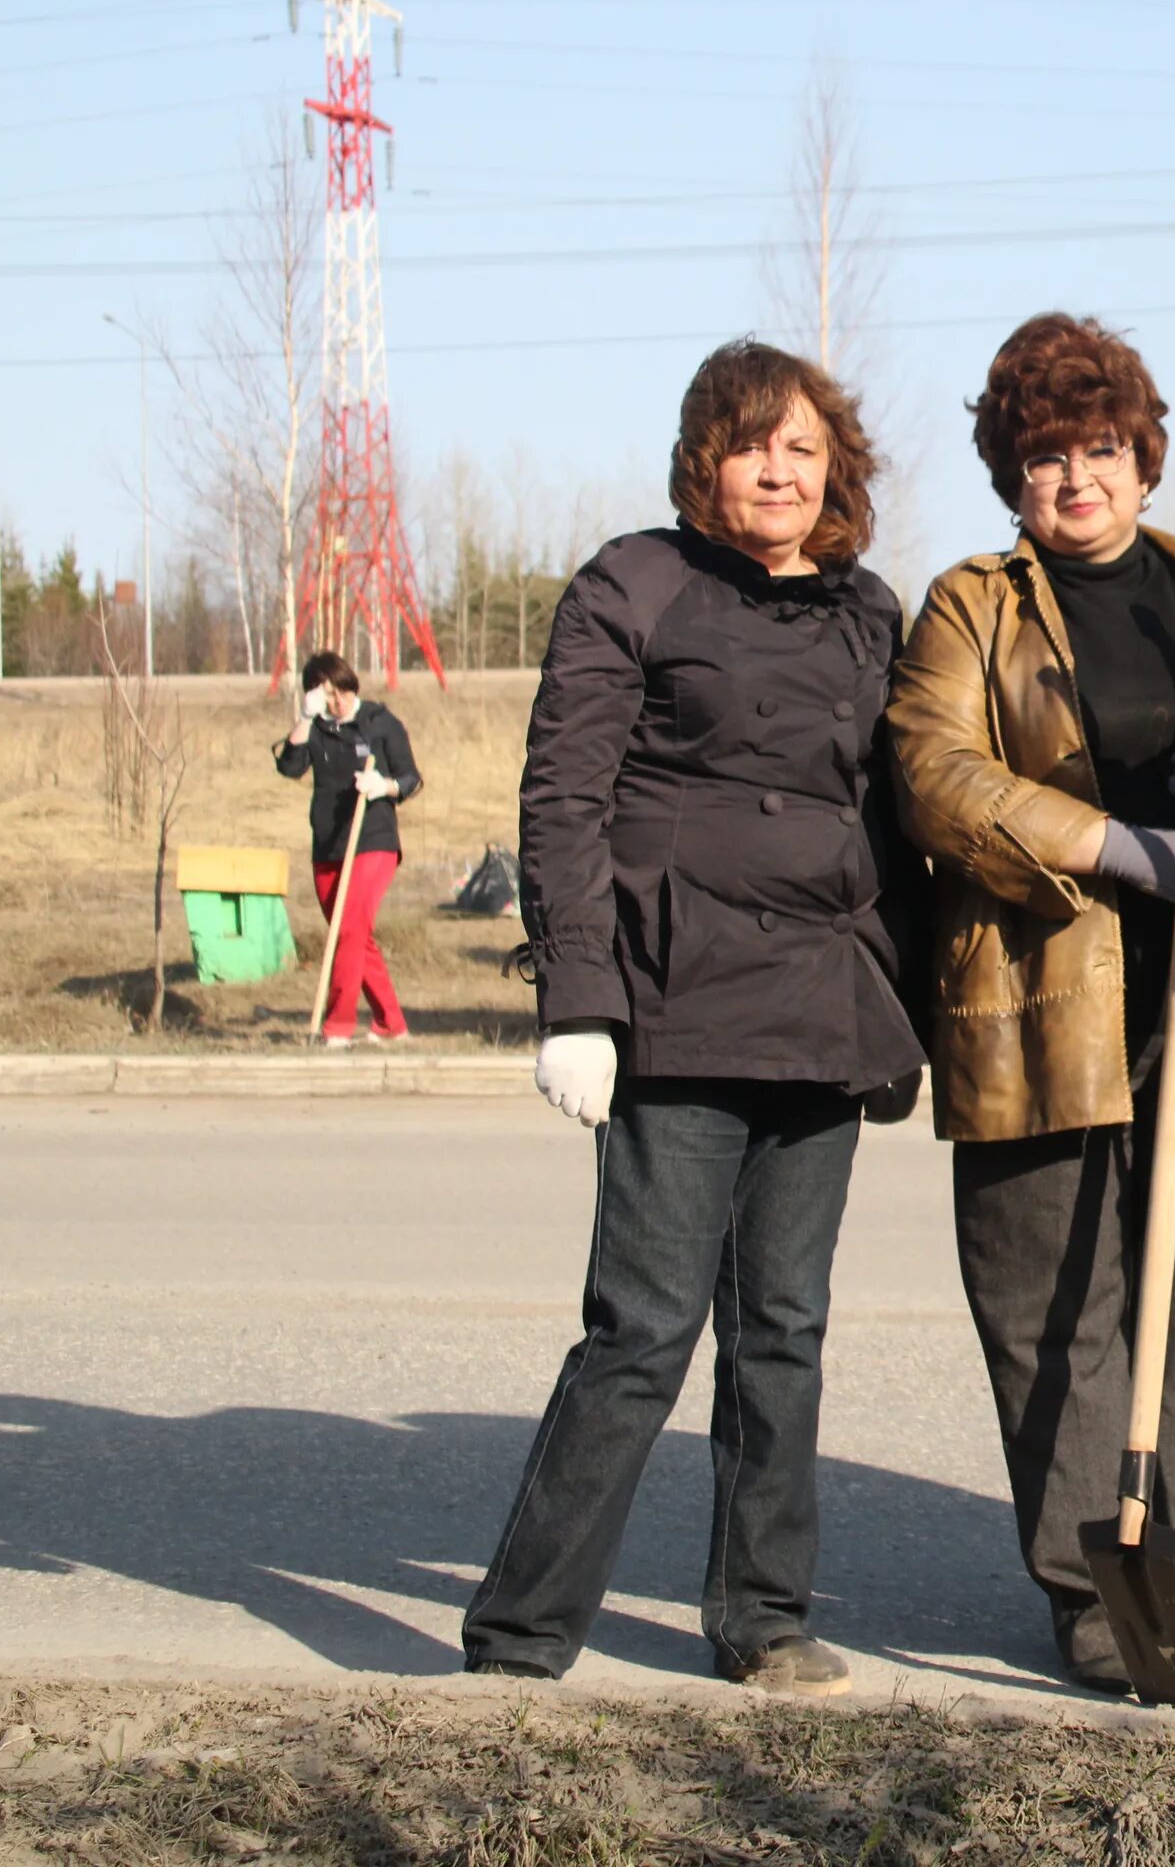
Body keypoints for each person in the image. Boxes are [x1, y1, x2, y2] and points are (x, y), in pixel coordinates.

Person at [462, 339, 928, 1699]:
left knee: (783, 1328)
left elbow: (891, 821)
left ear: (835, 467)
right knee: (643, 1331)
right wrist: (578, 999)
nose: (779, 470)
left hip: (821, 1009)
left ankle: (763, 1617)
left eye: (803, 447)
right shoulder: (635, 583)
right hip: (673, 1002)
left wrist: (898, 1009)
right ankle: (522, 1635)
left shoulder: (869, 611)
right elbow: (565, 798)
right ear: (703, 461)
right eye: (751, 444)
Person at [885, 313, 1175, 1694]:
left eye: (1102, 447)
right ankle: (1089, 1590)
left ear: (1144, 454)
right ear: (1012, 473)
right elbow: (935, 775)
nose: (1078, 478)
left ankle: (1173, 1572)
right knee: (1048, 1311)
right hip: (1035, 1006)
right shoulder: (970, 606)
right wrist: (1120, 847)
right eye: (1046, 455)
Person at [273, 649, 421, 1046]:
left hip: (373, 839)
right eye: (326, 695)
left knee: (351, 928)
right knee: (352, 936)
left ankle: (337, 1026)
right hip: (328, 844)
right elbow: (289, 767)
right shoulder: (317, 728)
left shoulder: (380, 723)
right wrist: (305, 718)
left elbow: (411, 778)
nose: (336, 701)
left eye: (340, 692)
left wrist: (384, 786)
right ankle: (391, 1024)